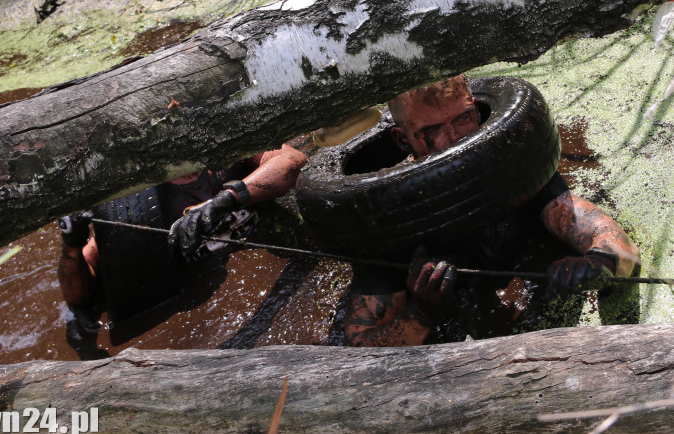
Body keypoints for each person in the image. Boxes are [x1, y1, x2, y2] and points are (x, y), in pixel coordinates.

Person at [344, 75, 639, 347]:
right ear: (401, 139)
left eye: (464, 118)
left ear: (477, 109)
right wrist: (422, 313)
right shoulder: (384, 210)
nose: (454, 138)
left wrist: (597, 266)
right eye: (431, 130)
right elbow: (359, 349)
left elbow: (620, 248)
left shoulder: (512, 160)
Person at [56, 144, 307, 342]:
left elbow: (293, 162)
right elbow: (82, 299)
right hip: (197, 282)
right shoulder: (140, 210)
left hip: (261, 235)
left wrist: (226, 200)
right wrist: (71, 246)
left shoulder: (229, 154)